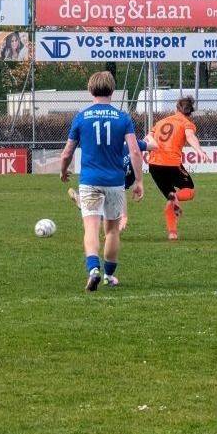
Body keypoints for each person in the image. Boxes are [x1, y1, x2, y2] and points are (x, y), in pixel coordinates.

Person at [60, 71, 144, 291]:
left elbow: (67, 152)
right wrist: (139, 181)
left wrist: (63, 170)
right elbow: (135, 151)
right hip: (115, 182)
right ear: (112, 90)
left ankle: (93, 269)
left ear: (90, 90)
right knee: (112, 231)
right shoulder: (123, 118)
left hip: (90, 181)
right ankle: (108, 275)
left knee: (91, 227)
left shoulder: (81, 117)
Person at [147, 96, 209, 240]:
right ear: (190, 112)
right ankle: (175, 196)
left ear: (176, 108)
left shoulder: (160, 122)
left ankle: (172, 233)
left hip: (154, 165)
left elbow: (148, 138)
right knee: (189, 191)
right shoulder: (187, 123)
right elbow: (190, 136)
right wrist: (199, 150)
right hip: (171, 164)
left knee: (171, 200)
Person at [67, 136, 156, 232]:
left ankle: (83, 202)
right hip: (111, 183)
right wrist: (150, 135)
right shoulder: (134, 145)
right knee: (110, 214)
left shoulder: (127, 146)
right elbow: (154, 146)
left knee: (107, 211)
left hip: (111, 181)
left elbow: (153, 147)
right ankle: (84, 204)